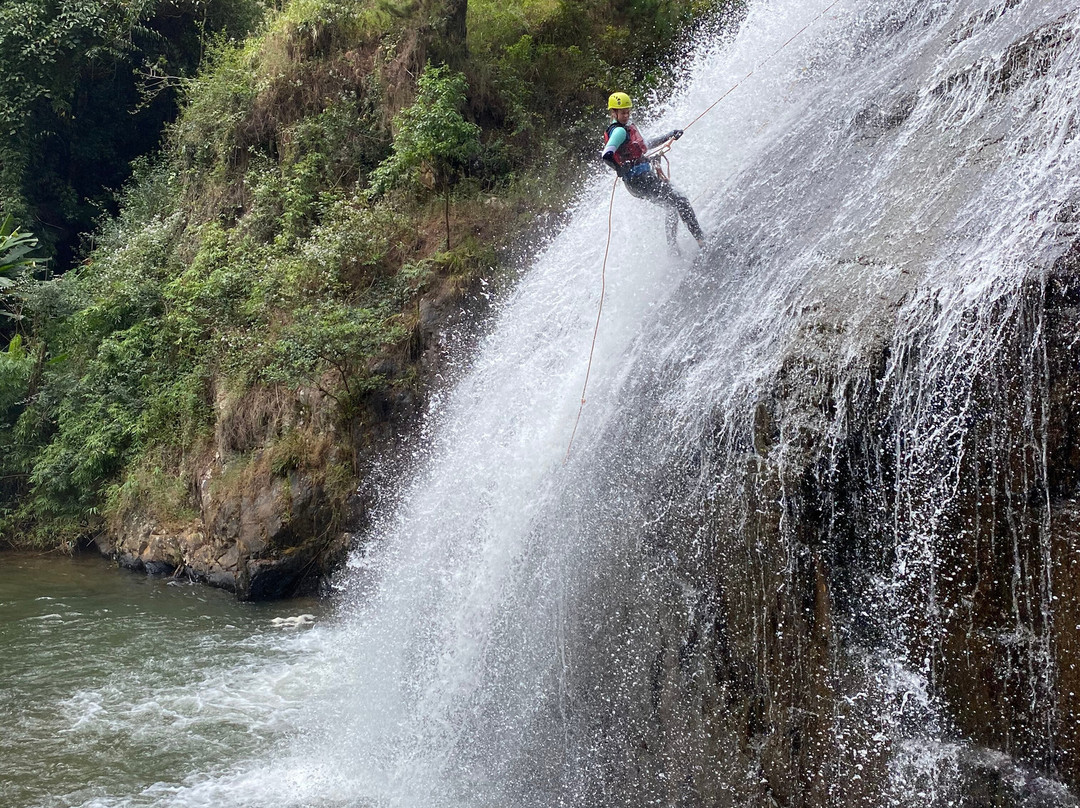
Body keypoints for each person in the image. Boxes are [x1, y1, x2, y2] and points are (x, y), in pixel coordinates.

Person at [601, 92, 706, 252]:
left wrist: (669, 136)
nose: (626, 115)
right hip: (640, 181)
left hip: (639, 182)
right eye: (623, 112)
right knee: (681, 201)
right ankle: (701, 241)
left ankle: (673, 249)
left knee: (672, 207)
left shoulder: (626, 129)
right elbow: (607, 155)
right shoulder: (620, 132)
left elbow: (645, 145)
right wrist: (620, 169)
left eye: (628, 111)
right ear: (614, 113)